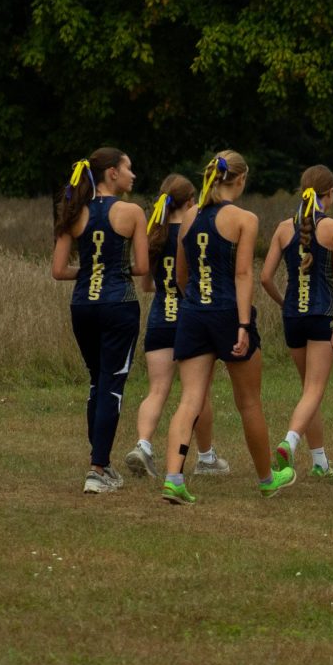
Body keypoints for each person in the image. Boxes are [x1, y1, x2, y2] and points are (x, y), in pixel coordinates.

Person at [160, 151, 295, 504]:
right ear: (241, 179)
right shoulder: (244, 219)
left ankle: (173, 477)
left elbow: (180, 275)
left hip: (193, 313)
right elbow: (243, 274)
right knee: (249, 402)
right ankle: (267, 479)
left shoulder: (189, 216)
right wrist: (243, 324)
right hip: (228, 314)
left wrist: (195, 302)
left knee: (190, 398)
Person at [51, 148, 148, 494]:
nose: (132, 175)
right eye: (128, 168)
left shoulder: (73, 212)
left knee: (96, 381)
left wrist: (90, 271)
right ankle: (98, 468)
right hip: (118, 305)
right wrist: (110, 270)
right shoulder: (132, 213)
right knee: (112, 383)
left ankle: (99, 460)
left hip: (83, 307)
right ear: (111, 173)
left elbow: (59, 271)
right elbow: (141, 267)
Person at [124, 175, 229, 479]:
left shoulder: (153, 232)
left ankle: (143, 446)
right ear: (190, 201)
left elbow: (146, 284)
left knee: (157, 390)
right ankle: (206, 457)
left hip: (160, 319)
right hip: (189, 320)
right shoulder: (194, 229)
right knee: (198, 394)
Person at [260, 165, 333, 481]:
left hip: (293, 318)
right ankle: (289, 442)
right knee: (314, 390)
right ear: (330, 193)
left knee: (308, 392)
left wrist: (285, 303)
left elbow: (265, 277)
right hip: (323, 316)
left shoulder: (284, 228)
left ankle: (320, 462)